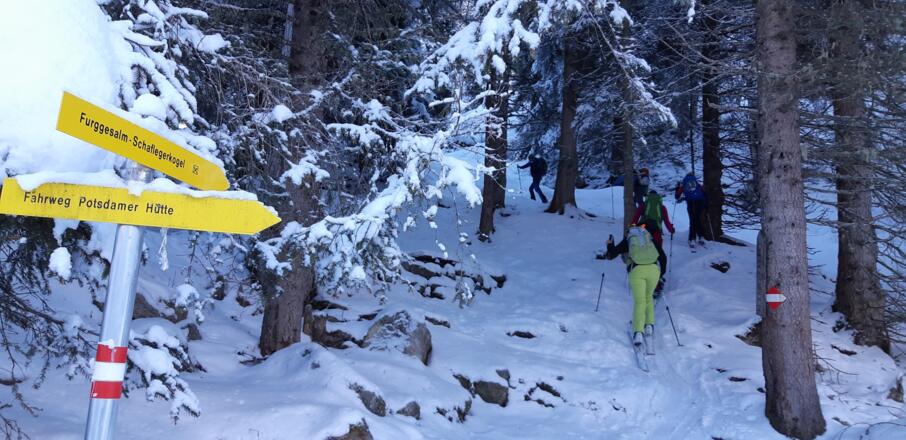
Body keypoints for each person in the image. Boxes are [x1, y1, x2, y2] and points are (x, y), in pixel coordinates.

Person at [604, 222, 666, 348]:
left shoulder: (630, 240)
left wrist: (610, 245)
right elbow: (663, 257)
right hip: (654, 269)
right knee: (648, 297)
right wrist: (660, 274)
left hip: (637, 270)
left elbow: (612, 254)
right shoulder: (648, 238)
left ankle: (638, 331)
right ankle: (649, 326)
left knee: (639, 301)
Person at [675, 171, 707, 248]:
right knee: (697, 219)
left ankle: (692, 239)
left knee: (693, 220)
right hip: (700, 202)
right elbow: (703, 192)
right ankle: (701, 237)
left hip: (691, 203)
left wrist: (677, 189)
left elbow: (677, 196)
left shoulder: (684, 183)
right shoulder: (696, 183)